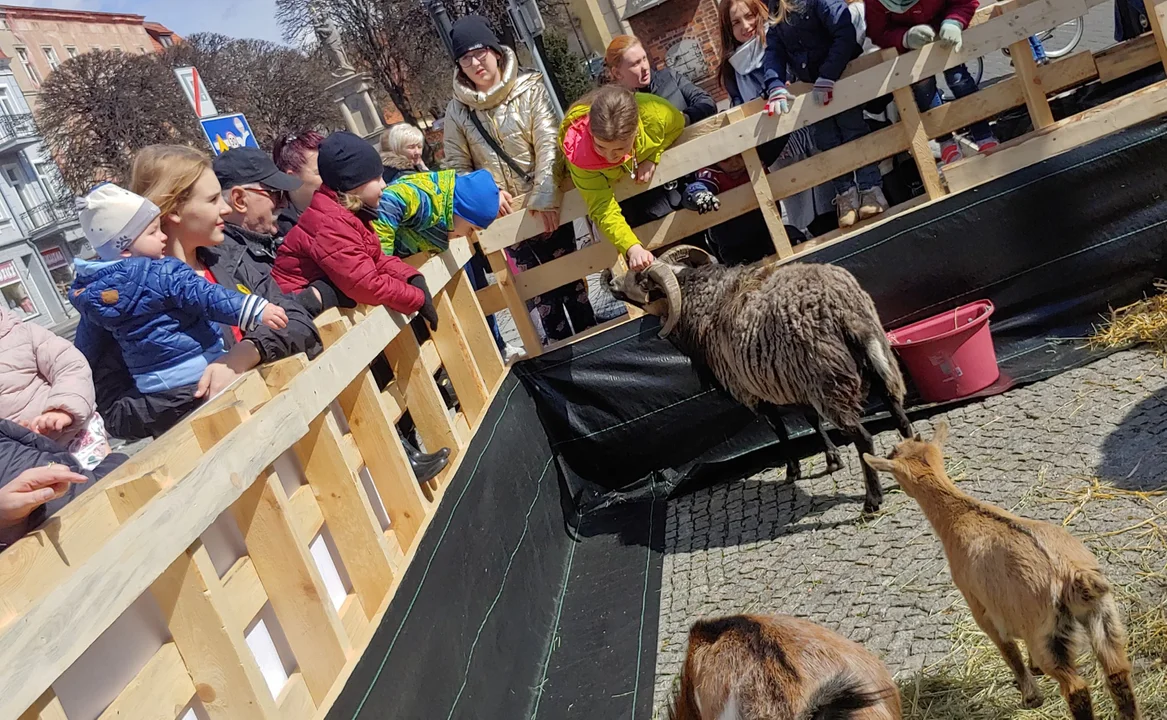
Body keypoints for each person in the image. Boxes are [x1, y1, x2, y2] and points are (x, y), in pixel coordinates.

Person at [444, 15, 597, 345]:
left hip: (547, 205)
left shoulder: (530, 88)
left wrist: (544, 197)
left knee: (573, 286)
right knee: (540, 299)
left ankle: (594, 348)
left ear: (495, 52)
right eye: (465, 58)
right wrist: (487, 196)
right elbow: (458, 167)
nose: (475, 63)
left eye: (479, 52)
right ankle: (560, 361)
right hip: (505, 218)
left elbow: (548, 141)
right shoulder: (457, 112)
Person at [69, 183, 287, 402]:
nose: (163, 236)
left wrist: (78, 377)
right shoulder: (163, 272)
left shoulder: (92, 292)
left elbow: (87, 345)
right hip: (199, 364)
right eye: (152, 232)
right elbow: (209, 297)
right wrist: (257, 309)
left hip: (151, 383)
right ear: (124, 249)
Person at [272, 131, 439, 324]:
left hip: (333, 312)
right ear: (353, 183)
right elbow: (364, 284)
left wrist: (412, 278)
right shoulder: (330, 223)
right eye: (376, 178)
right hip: (302, 316)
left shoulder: (347, 214)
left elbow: (374, 259)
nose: (384, 185)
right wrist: (416, 299)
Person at [762, 0, 890, 229]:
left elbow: (844, 32)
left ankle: (870, 189)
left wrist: (829, 75)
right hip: (813, 88)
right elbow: (774, 52)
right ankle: (846, 196)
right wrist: (775, 85)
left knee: (853, 132)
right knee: (826, 141)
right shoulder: (775, 8)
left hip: (839, 78)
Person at [559, 85, 685, 271]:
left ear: (635, 131)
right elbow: (602, 206)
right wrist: (631, 248)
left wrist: (653, 156)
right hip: (618, 208)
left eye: (619, 149)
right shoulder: (579, 151)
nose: (610, 157)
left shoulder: (656, 114)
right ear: (590, 133)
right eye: (601, 147)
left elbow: (677, 125)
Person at [866, 0, 1000, 165]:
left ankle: (983, 134)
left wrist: (955, 21)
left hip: (945, 38)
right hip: (911, 51)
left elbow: (965, 2)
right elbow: (879, 31)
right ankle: (946, 142)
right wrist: (905, 37)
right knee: (924, 90)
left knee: (959, 79)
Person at [0, 304, 111, 470]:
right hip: (22, 459)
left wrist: (62, 409)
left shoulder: (25, 334)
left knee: (112, 484)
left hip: (70, 435)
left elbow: (70, 366)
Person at [605, 35, 718, 126]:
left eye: (644, 59)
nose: (644, 67)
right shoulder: (617, 107)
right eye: (635, 64)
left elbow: (707, 103)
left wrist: (685, 118)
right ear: (617, 73)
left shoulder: (669, 77)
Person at [273, 131, 326, 237]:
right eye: (321, 171)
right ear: (291, 177)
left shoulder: (353, 204)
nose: (331, 176)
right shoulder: (279, 229)